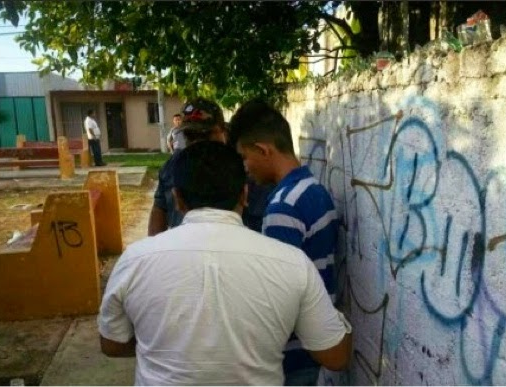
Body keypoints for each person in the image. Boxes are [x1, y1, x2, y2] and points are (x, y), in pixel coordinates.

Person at [98, 140, 352, 385]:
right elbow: (335, 356)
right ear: (244, 194)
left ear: (177, 198)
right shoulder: (292, 262)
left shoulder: (134, 260)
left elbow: (112, 343)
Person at [229, 100, 340, 385]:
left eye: (244, 157)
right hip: (313, 340)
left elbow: (279, 295)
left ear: (263, 150)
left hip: (292, 352)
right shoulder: (313, 188)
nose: (245, 168)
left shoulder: (282, 207)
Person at [148, 98, 273, 235]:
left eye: (206, 134)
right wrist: (155, 245)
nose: (198, 142)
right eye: (191, 136)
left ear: (224, 131)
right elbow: (159, 208)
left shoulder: (243, 166)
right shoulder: (173, 166)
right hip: (184, 251)